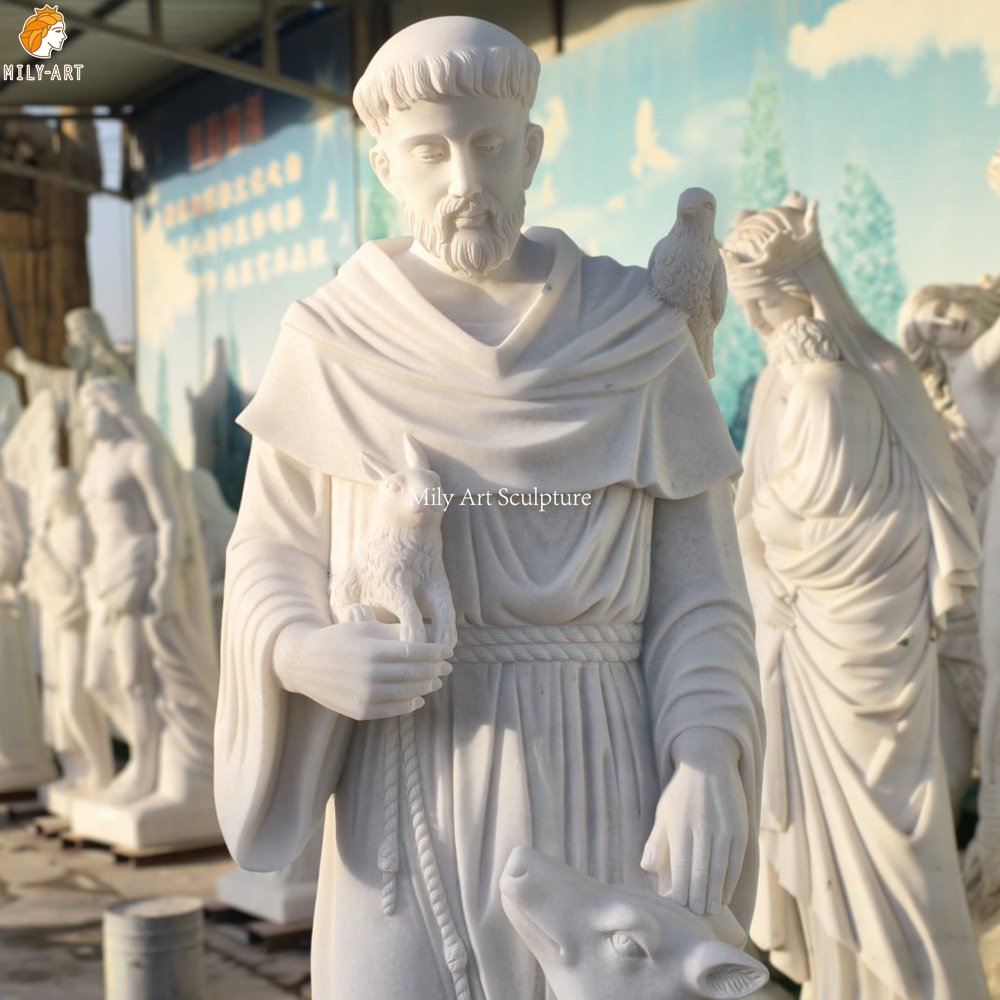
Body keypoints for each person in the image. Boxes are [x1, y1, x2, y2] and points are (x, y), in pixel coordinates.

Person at [216, 17, 763, 999]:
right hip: (401, 778)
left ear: (531, 150)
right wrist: (299, 652)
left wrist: (707, 754)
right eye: (429, 150)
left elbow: (702, 595)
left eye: (487, 142)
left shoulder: (633, 335)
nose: (462, 176)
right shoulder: (334, 343)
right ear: (387, 164)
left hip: (605, 773)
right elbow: (267, 556)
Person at [723, 194, 986, 999]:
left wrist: (753, 517)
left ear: (797, 296)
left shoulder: (827, 382)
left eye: (761, 304)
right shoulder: (792, 384)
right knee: (857, 855)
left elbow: (818, 516)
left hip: (854, 647)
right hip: (818, 650)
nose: (758, 324)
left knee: (890, 849)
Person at [77, 378, 217, 808]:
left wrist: (166, 576)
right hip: (105, 574)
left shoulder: (143, 454)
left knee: (137, 679)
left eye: (91, 407)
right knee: (99, 679)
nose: (85, 418)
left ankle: (145, 768)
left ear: (113, 407)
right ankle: (141, 756)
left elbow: (171, 521)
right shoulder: (95, 461)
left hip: (138, 566)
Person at [899, 278, 1000, 816]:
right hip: (961, 625)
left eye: (939, 308)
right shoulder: (931, 431)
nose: (944, 324)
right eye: (929, 331)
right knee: (946, 781)